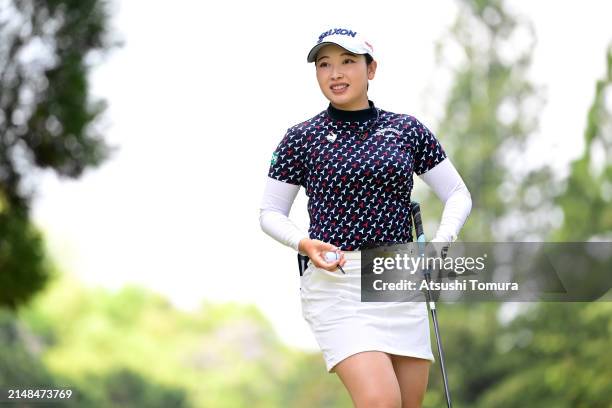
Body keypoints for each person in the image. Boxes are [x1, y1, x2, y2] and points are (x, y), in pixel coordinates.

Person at [259, 27, 472, 408]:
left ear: (370, 70)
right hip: (337, 282)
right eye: (325, 64)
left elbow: (457, 193)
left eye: (347, 62)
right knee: (381, 401)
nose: (335, 73)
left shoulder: (406, 130)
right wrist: (304, 243)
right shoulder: (301, 138)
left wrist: (441, 243)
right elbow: (271, 213)